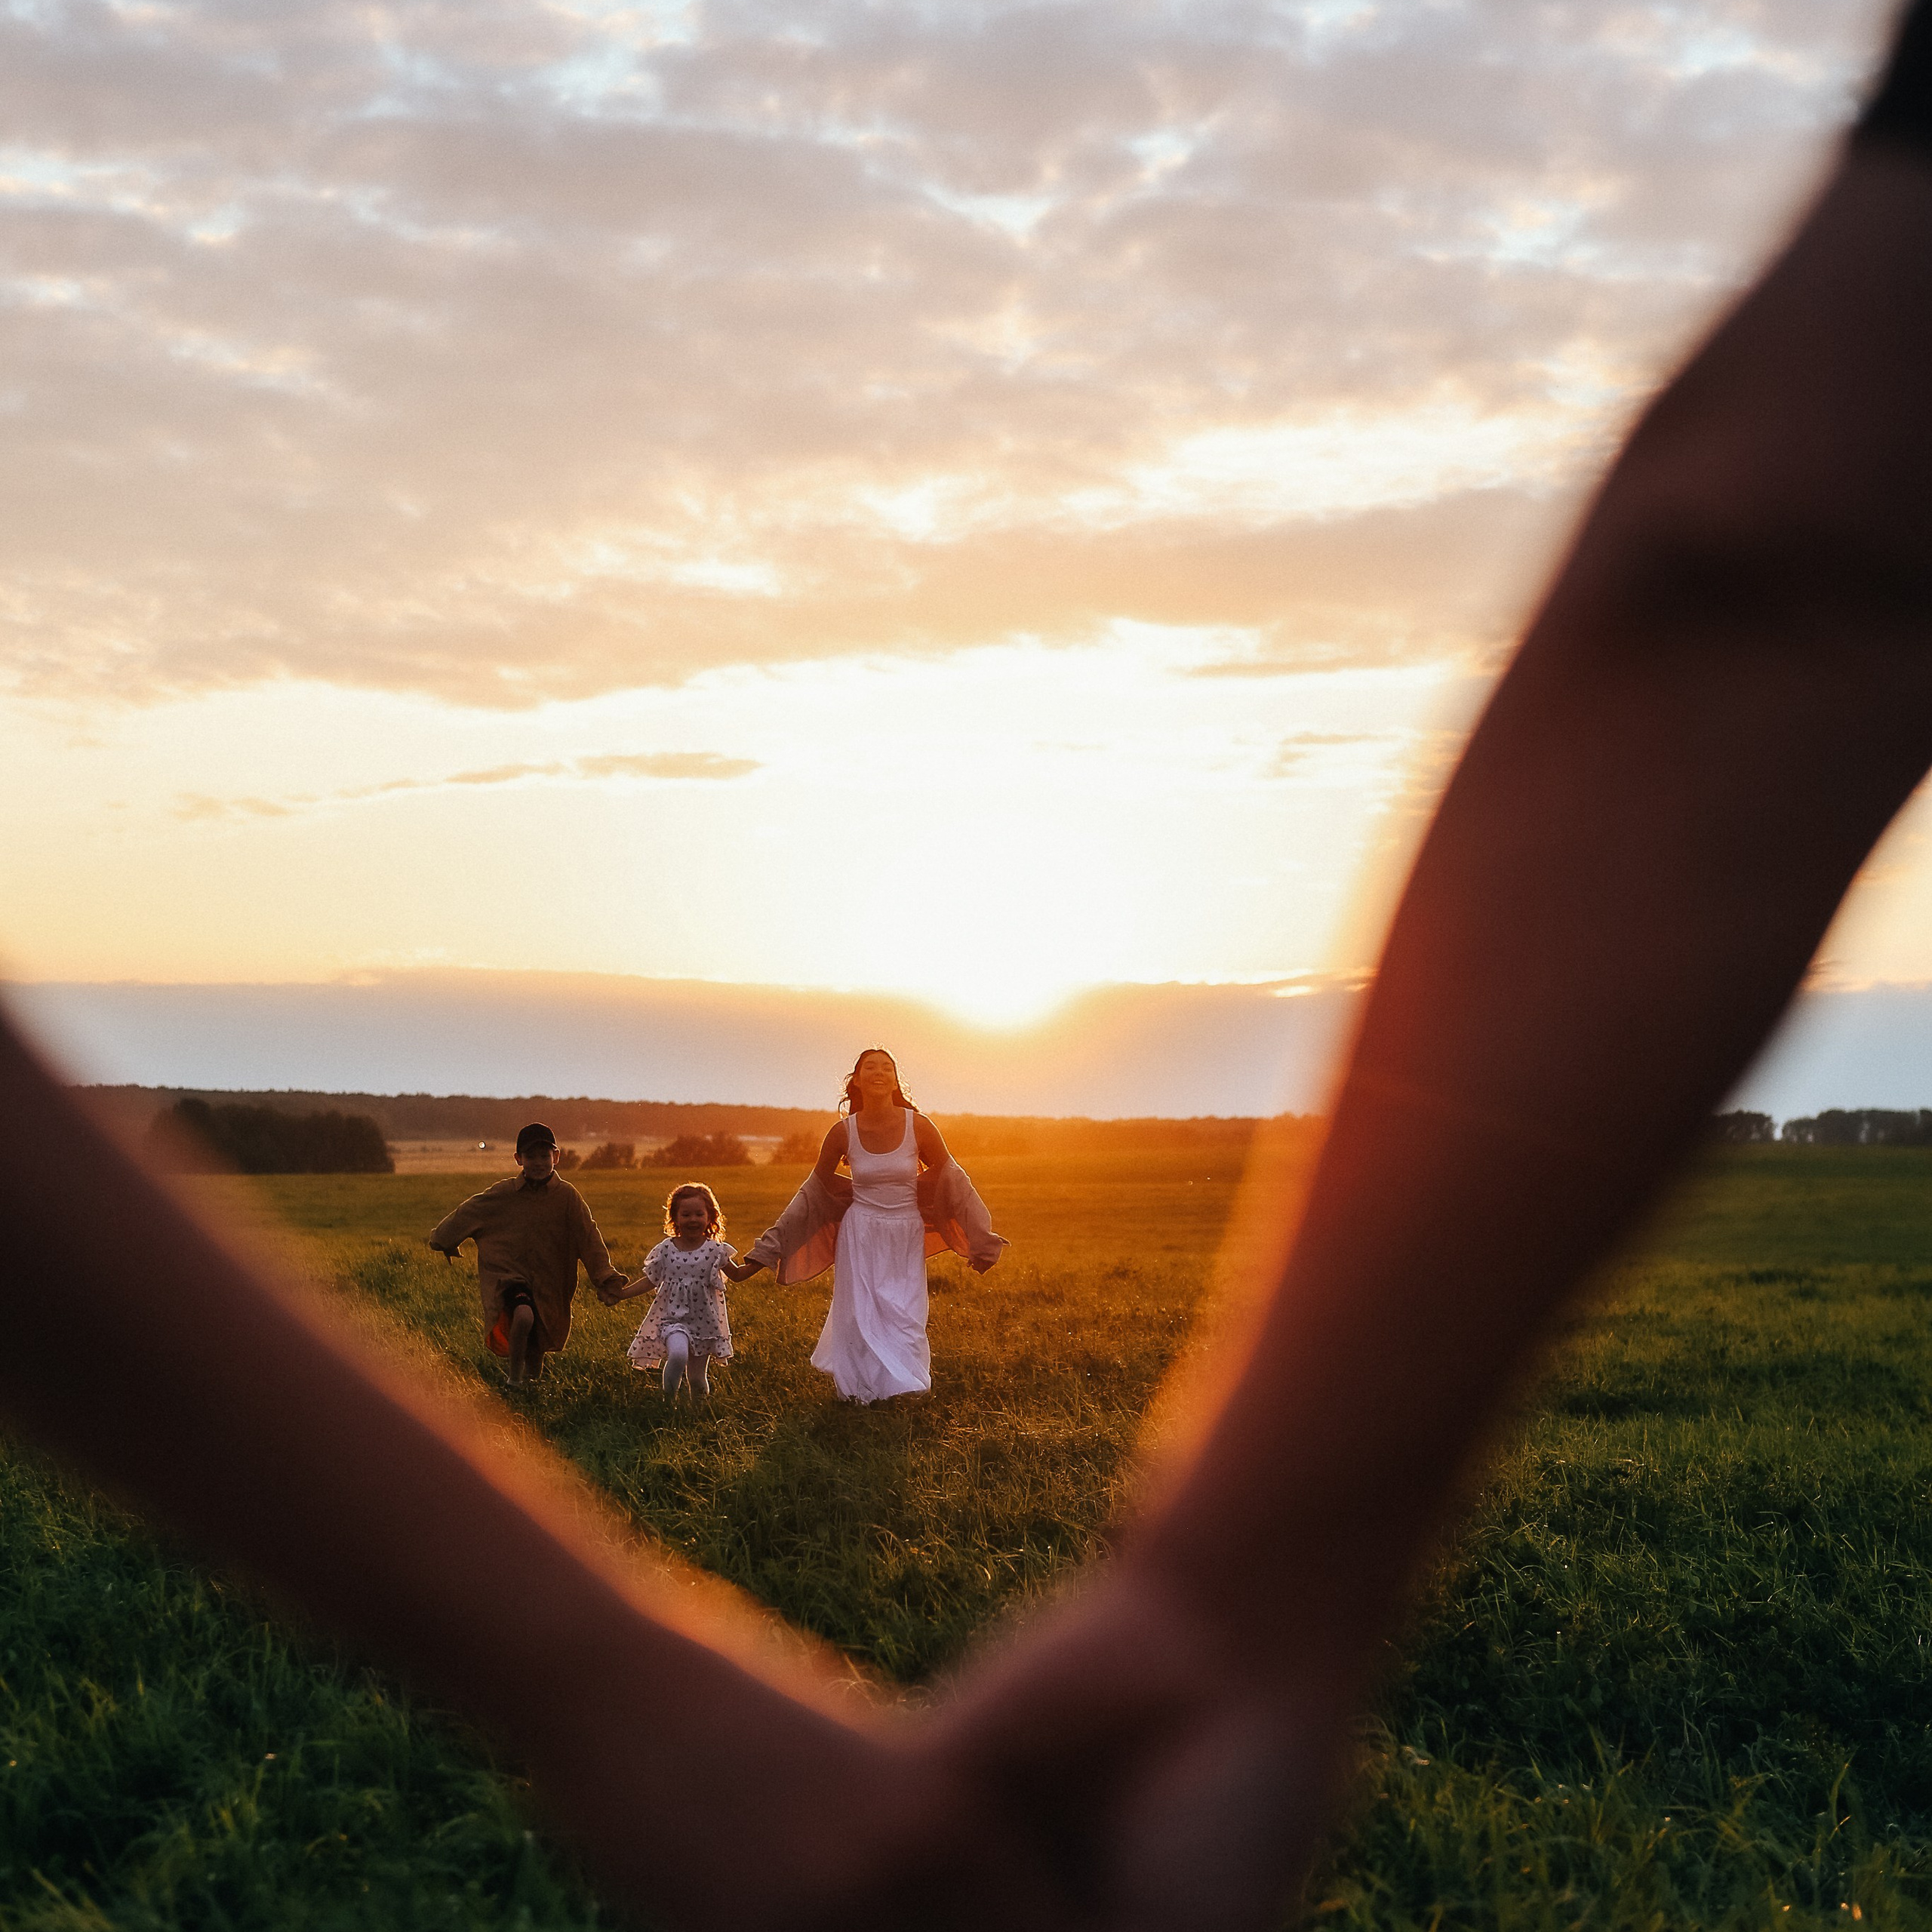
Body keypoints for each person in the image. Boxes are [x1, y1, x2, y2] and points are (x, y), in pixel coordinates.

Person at [0, 7, 1928, 1927]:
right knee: (820, 1325)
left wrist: (599, 1684)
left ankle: (868, 1429)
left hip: (901, 1263)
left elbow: (1767, 565)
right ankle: (881, 1421)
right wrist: (1244, 1583)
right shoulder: (842, 1140)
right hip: (848, 1263)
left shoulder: (918, 1121)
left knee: (877, 1326)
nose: (861, 1095)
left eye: (867, 1082)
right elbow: (1778, 563)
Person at [735, 1048, 1005, 1403]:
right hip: (859, 1232)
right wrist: (763, 1254)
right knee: (860, 1317)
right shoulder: (841, 1133)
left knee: (905, 1315)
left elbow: (954, 1180)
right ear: (857, 1081)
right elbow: (810, 1195)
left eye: (887, 1067)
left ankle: (907, 1388)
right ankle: (861, 1394)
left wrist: (981, 1239)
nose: (879, 1072)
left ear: (895, 1080)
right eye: (870, 1067)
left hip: (904, 1231)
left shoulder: (919, 1126)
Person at [427, 1121, 626, 1387]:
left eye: (545, 1156)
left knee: (539, 1337)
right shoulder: (503, 1194)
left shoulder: (567, 1197)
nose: (539, 1162)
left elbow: (588, 1237)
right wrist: (443, 1240)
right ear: (519, 1159)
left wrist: (605, 1278)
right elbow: (468, 1213)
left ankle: (532, 1385)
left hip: (550, 1280)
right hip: (510, 1276)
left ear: (556, 1157)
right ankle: (514, 1379)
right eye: (531, 1156)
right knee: (523, 1316)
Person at [604, 1182, 751, 1400]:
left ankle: (697, 1413)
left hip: (705, 1323)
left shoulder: (715, 1250)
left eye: (699, 1214)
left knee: (697, 1378)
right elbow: (650, 1281)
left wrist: (762, 1260)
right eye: (686, 1214)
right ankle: (667, 1402)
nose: (693, 1219)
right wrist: (622, 1294)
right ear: (675, 1218)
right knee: (678, 1354)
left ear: (710, 1217)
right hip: (672, 1320)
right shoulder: (666, 1249)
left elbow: (738, 1275)